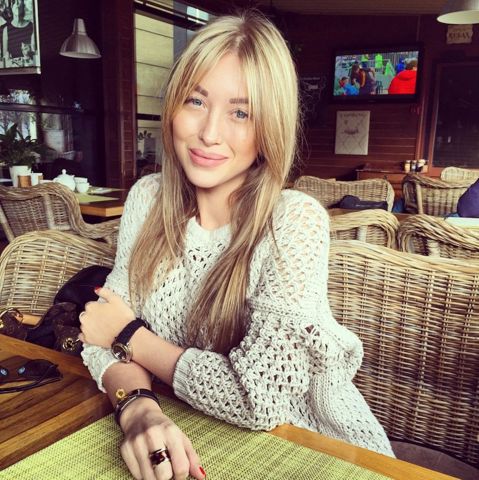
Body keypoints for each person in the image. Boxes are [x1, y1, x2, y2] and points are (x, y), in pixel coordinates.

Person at [79, 10, 394, 480]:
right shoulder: (147, 199)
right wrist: (138, 407)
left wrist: (131, 336)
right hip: (195, 428)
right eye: (196, 100)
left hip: (316, 447)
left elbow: (258, 398)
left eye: (240, 112)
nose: (209, 133)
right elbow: (99, 333)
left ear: (269, 129)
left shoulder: (293, 220)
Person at [2, 0, 35, 65]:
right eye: (15, 2)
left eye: (19, 2)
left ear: (23, 6)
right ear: (12, 7)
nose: (17, 4)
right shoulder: (6, 29)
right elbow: (5, 56)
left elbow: (35, 53)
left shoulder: (32, 26)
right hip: (14, 67)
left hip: (30, 65)